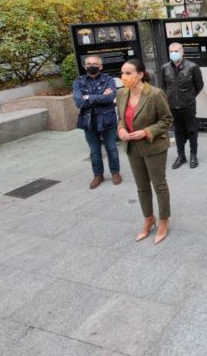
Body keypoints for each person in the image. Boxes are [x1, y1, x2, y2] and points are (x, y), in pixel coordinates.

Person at [116, 59, 173, 244]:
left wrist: (147, 131)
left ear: (140, 74)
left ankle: (163, 219)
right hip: (132, 148)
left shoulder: (155, 94)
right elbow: (121, 119)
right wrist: (121, 130)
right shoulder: (121, 94)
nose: (124, 77)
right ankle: (149, 218)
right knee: (141, 186)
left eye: (128, 73)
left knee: (159, 185)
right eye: (122, 73)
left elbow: (166, 120)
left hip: (153, 146)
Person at [73, 55, 121, 189]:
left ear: (100, 66)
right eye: (88, 63)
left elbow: (110, 97)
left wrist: (88, 97)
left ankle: (115, 172)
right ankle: (98, 174)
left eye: (94, 63)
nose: (91, 66)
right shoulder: (78, 81)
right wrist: (101, 97)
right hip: (88, 120)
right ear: (84, 66)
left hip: (107, 119)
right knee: (94, 150)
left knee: (111, 147)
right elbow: (78, 102)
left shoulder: (109, 79)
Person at [162, 42, 204, 169]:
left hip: (188, 105)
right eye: (171, 51)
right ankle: (181, 156)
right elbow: (164, 86)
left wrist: (189, 96)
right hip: (173, 106)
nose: (174, 53)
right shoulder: (165, 68)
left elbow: (199, 85)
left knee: (191, 130)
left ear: (182, 52)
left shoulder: (192, 67)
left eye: (176, 50)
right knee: (178, 131)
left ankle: (193, 155)